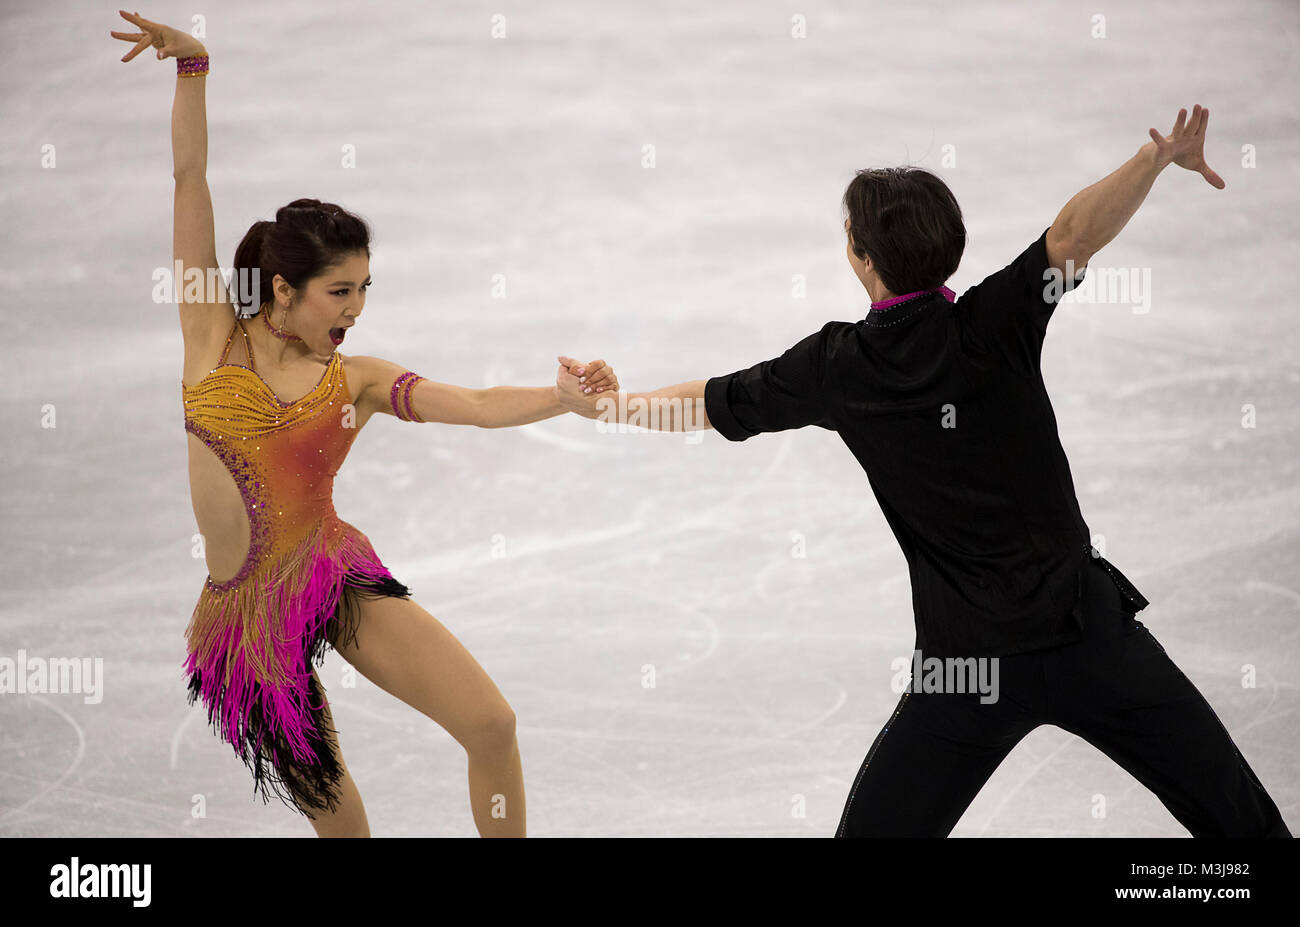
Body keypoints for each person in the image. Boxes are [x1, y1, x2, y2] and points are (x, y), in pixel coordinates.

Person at [554, 105, 1292, 837]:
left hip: (968, 674)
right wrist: (1154, 161)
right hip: (1088, 641)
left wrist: (612, 408)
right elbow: (1072, 236)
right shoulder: (995, 323)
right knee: (1243, 825)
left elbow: (711, 406)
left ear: (864, 259)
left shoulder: (837, 368)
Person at [111, 11, 617, 837]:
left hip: (330, 574)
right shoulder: (210, 334)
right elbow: (188, 179)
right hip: (246, 623)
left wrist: (561, 397)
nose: (356, 307)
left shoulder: (360, 380)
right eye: (340, 291)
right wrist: (193, 69)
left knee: (491, 723)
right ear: (283, 291)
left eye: (365, 288)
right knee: (347, 831)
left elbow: (477, 405)